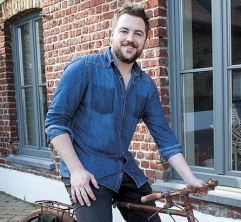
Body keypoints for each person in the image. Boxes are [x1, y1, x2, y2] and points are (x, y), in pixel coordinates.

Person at [45, 2, 207, 222]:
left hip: (124, 170)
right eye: (124, 31)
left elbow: (165, 139)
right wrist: (76, 171)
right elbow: (55, 123)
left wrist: (190, 179)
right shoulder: (83, 69)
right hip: (87, 170)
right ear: (112, 34)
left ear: (144, 41)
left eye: (138, 33)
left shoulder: (146, 86)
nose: (130, 38)